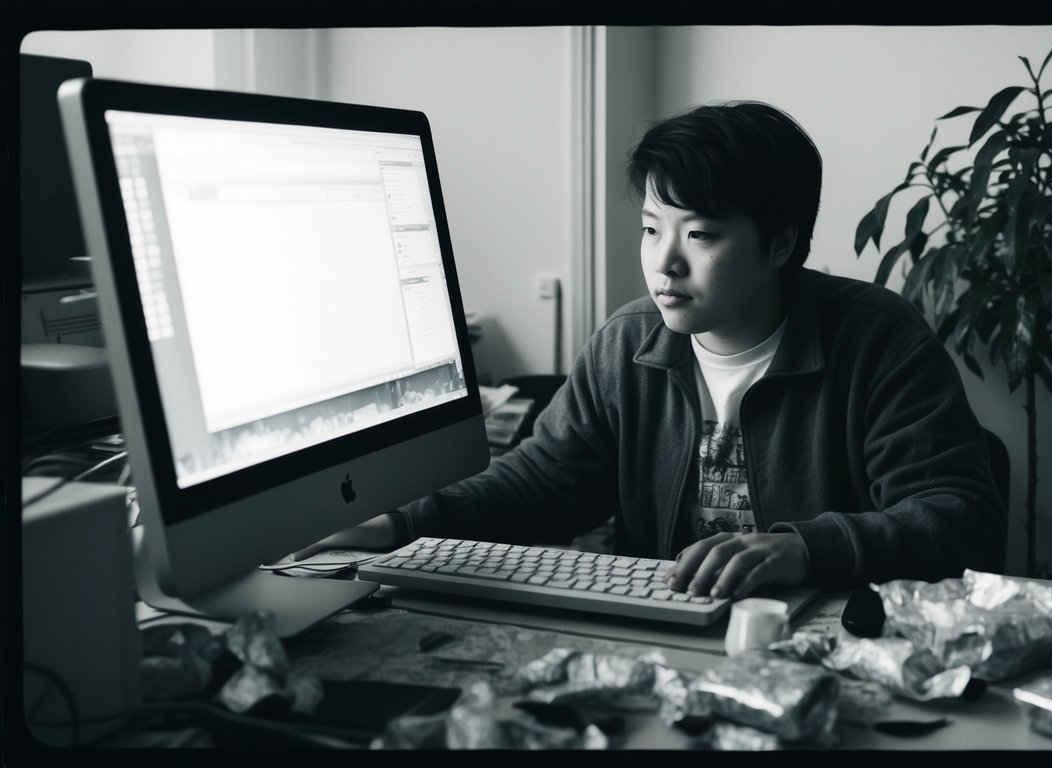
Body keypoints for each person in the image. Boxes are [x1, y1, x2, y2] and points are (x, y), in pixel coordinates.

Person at [294, 100, 1006, 599]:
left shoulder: (876, 338)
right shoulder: (629, 343)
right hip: (664, 636)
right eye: (648, 229)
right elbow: (542, 483)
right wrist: (398, 523)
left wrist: (800, 549)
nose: (664, 263)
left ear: (780, 242)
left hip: (824, 643)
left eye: (697, 235)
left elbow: (958, 515)